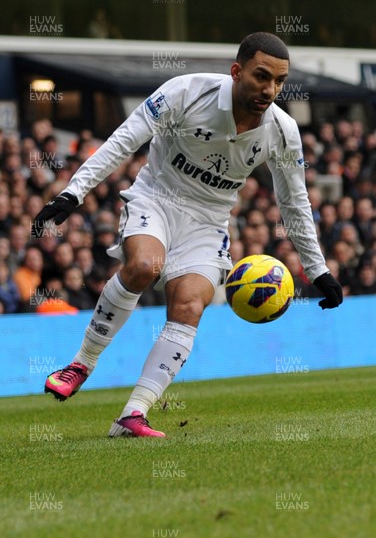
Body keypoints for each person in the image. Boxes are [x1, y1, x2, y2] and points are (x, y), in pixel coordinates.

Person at [32, 32, 343, 439]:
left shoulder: (282, 131)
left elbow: (294, 202)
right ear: (237, 71)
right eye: (261, 76)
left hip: (209, 221)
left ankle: (132, 415)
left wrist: (317, 270)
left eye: (280, 82)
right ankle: (81, 363)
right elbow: (124, 140)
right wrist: (74, 192)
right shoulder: (186, 92)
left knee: (190, 305)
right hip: (156, 197)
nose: (270, 90)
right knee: (144, 266)